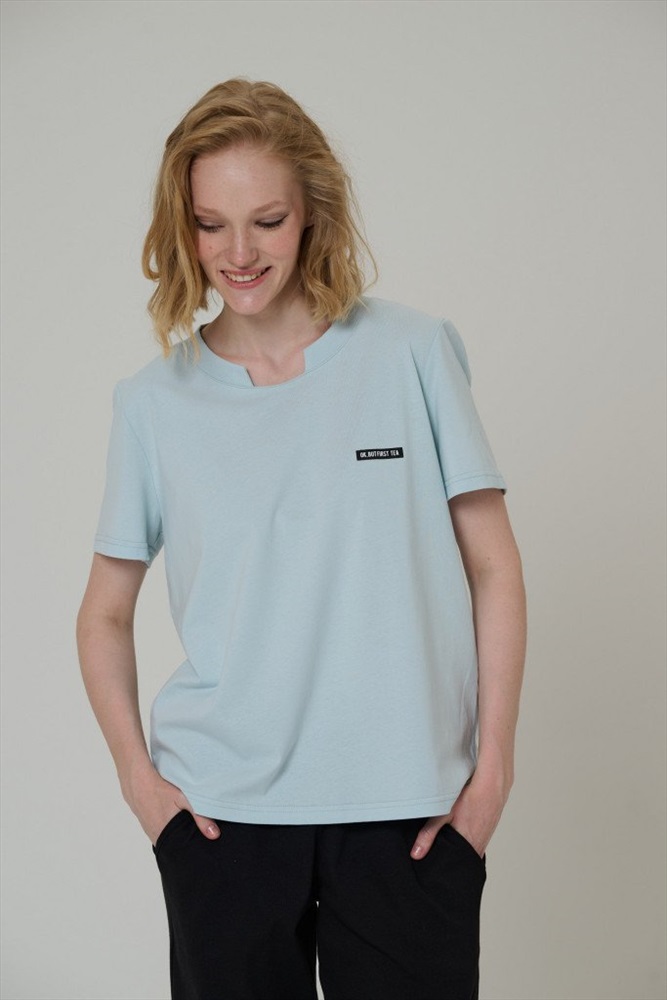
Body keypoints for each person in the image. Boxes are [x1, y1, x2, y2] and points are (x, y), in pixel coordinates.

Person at [76, 78, 526, 1000]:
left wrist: (490, 778)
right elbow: (103, 615)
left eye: (268, 221)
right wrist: (142, 788)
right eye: (210, 225)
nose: (237, 254)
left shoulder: (410, 352)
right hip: (222, 823)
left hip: (408, 816)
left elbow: (493, 567)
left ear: (313, 213)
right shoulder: (153, 404)